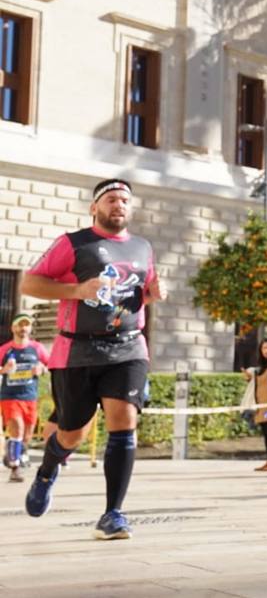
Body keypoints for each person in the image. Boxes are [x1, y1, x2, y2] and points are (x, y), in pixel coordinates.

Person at [19, 178, 165, 539]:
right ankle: (48, 470)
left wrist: (154, 294)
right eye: (112, 199)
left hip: (129, 348)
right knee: (71, 434)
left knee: (124, 421)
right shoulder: (74, 244)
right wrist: (76, 290)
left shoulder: (143, 247)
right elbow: (30, 284)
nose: (119, 205)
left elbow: (138, 294)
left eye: (125, 200)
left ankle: (113, 514)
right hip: (77, 351)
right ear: (94, 208)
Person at [2, 314, 50, 482]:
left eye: (26, 325)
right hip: (10, 397)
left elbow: (49, 365)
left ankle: (15, 453)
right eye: (20, 325)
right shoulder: (5, 349)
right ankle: (15, 468)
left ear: (30, 329)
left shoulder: (37, 348)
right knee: (18, 429)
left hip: (30, 396)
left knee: (27, 435)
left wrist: (41, 369)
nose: (23, 329)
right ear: (13, 328)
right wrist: (3, 370)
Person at [242, 337, 267, 472]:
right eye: (264, 348)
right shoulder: (260, 368)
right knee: (266, 432)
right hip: (260, 405)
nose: (266, 351)